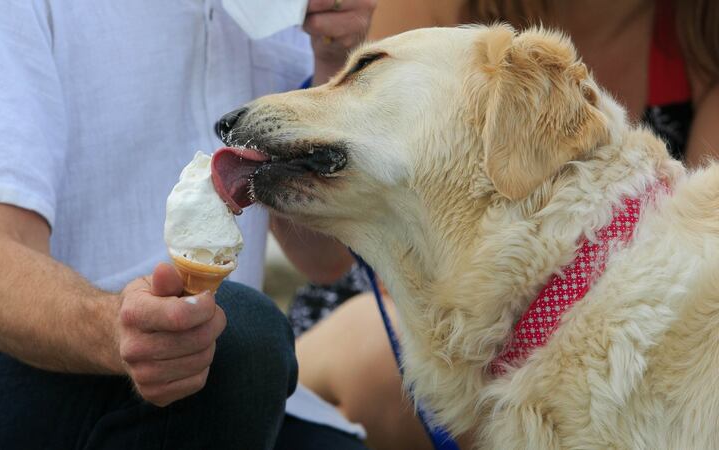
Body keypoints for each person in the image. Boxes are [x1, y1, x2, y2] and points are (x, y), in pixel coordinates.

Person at [0, 0, 375, 449]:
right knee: (241, 331)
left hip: (230, 375)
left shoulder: (280, 11)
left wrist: (334, 60)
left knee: (242, 346)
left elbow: (324, 259)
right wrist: (119, 329)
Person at [284, 0, 719, 449]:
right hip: (399, 289)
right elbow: (323, 259)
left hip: (611, 297)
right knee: (379, 360)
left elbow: (684, 238)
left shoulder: (702, 27)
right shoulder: (432, 7)